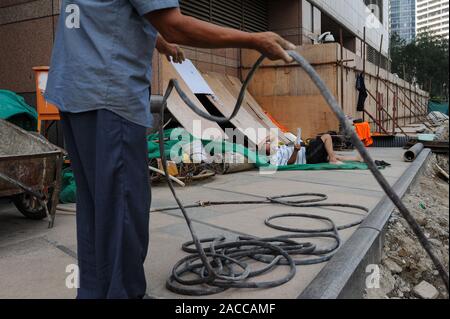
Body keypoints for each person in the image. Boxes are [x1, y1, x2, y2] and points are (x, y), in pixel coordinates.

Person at [44, 0, 296, 299]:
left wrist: (162, 43)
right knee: (123, 208)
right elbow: (173, 23)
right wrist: (255, 40)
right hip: (110, 98)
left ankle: (94, 292)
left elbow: (112, 15)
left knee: (97, 207)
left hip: (74, 94)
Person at [266, 134, 363, 166]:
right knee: (326, 137)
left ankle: (357, 159)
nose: (269, 144)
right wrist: (295, 151)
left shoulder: (277, 148)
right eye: (267, 145)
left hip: (307, 151)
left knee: (329, 154)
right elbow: (289, 163)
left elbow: (273, 137)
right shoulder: (274, 159)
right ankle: (333, 160)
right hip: (307, 156)